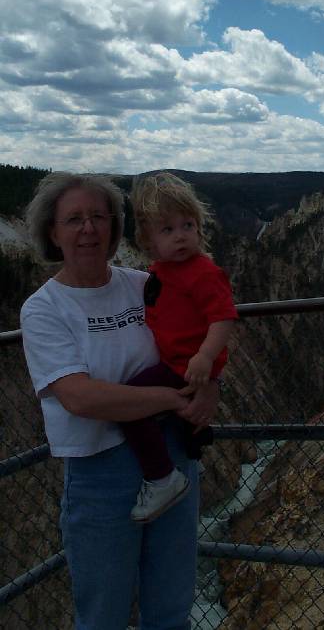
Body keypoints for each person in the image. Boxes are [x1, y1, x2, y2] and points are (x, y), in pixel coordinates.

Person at [20, 171, 219, 630]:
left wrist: (211, 384)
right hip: (101, 474)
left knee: (171, 608)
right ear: (53, 232)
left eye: (99, 216)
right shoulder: (44, 309)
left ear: (114, 226)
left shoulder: (145, 284)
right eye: (74, 219)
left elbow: (199, 336)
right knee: (103, 615)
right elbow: (79, 397)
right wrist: (171, 397)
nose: (89, 229)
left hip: (173, 455)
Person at [121, 172, 238, 523]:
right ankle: (192, 451)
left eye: (188, 225)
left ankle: (161, 478)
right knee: (185, 418)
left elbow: (223, 317)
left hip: (183, 365)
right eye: (168, 229)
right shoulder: (161, 270)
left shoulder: (203, 272)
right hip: (180, 363)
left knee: (130, 404)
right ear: (149, 240)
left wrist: (205, 357)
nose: (181, 236)